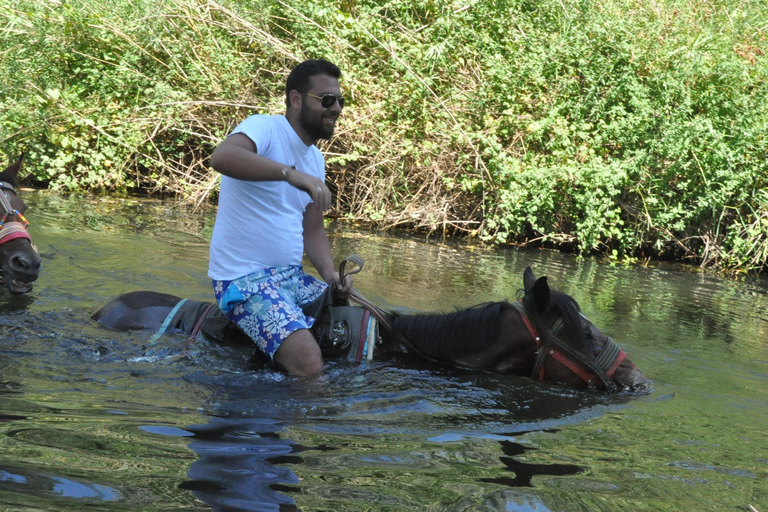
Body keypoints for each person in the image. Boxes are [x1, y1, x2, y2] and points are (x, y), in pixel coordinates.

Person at [208, 59, 352, 378]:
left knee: (357, 329)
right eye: (327, 99)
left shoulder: (315, 159)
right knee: (310, 364)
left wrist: (331, 276)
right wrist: (289, 175)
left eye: (341, 100)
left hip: (290, 278)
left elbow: (312, 229)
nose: (337, 108)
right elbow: (221, 157)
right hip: (243, 279)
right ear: (296, 99)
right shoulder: (266, 128)